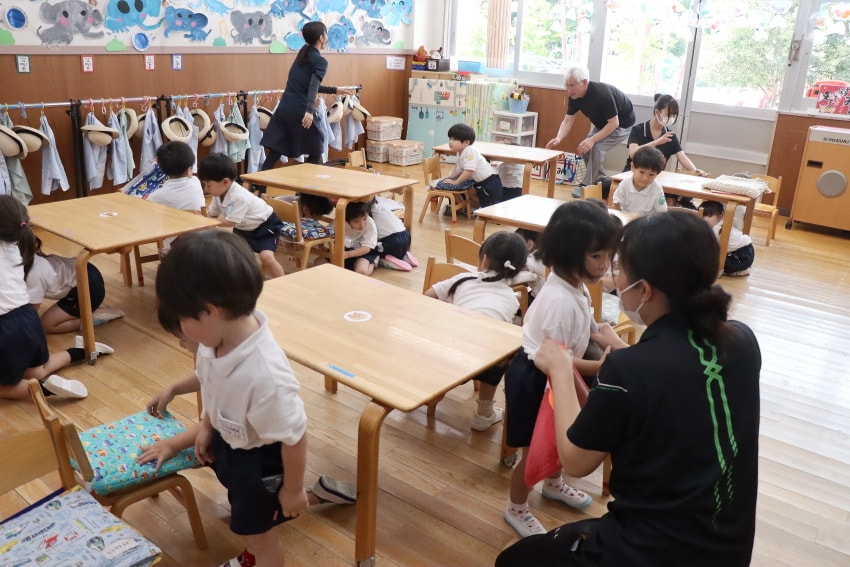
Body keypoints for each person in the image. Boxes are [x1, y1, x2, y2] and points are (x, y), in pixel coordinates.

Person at [496, 210, 761, 567]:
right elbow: (678, 376)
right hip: (729, 546)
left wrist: (560, 369)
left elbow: (575, 460)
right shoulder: (743, 340)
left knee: (513, 561)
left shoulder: (627, 371)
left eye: (619, 266)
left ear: (645, 290)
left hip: (651, 549)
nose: (613, 274)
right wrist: (621, 350)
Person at [153, 229, 356, 567]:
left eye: (182, 320)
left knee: (260, 535)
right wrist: (207, 425)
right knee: (252, 516)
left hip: (262, 464)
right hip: (233, 444)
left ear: (210, 311)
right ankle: (310, 498)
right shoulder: (214, 342)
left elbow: (294, 437)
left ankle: (272, 536)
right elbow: (213, 383)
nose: (181, 331)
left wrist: (292, 489)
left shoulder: (266, 376)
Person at [502, 200, 622, 538]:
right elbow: (557, 358)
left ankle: (553, 484)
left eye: (608, 255)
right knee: (534, 449)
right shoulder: (559, 301)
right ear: (569, 253)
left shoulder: (573, 284)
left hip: (558, 371)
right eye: (596, 256)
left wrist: (597, 333)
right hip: (536, 377)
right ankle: (516, 506)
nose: (604, 265)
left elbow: (571, 344)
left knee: (560, 438)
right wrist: (598, 365)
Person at [0, 195, 112, 401]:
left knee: (7, 384)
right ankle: (81, 351)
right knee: (36, 371)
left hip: (6, 327)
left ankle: (45, 389)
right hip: (28, 320)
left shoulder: (29, 265)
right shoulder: (16, 249)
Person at [425, 231, 527, 431]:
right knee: (502, 351)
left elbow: (427, 297)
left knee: (452, 334)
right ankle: (484, 413)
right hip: (485, 361)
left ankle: (436, 387)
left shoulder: (464, 279)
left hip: (445, 349)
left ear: (484, 260)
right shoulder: (512, 298)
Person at [260, 21, 355, 174]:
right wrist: (309, 110)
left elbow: (307, 85)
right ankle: (310, 187)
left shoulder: (303, 54)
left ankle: (257, 185)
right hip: (300, 112)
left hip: (284, 109)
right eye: (325, 34)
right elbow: (312, 86)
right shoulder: (320, 61)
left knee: (275, 152)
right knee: (317, 147)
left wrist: (334, 90)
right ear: (321, 38)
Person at [545, 66, 635, 193]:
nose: (569, 90)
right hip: (603, 124)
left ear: (584, 82)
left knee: (596, 148)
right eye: (567, 86)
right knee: (585, 148)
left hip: (622, 125)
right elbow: (568, 120)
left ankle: (585, 186)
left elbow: (614, 123)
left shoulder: (602, 94)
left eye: (572, 85)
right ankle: (604, 182)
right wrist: (558, 138)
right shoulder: (575, 97)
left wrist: (592, 140)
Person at [199, 153, 285, 279]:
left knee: (267, 257)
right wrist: (203, 218)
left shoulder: (239, 197)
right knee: (231, 252)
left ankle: (283, 281)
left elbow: (229, 223)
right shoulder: (218, 194)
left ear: (225, 182)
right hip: (244, 228)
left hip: (266, 226)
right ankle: (238, 278)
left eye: (208, 185)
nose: (206, 189)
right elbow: (212, 215)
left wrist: (207, 220)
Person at [25, 236, 123, 333]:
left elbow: (31, 311)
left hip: (88, 287)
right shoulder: (28, 262)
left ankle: (94, 317)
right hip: (80, 273)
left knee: (46, 325)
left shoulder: (34, 274)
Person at [625, 93, 706, 208]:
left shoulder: (670, 136)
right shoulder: (638, 129)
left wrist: (696, 172)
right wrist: (657, 142)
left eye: (674, 115)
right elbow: (633, 153)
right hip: (634, 175)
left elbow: (682, 158)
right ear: (657, 112)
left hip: (655, 178)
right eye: (668, 114)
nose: (671, 118)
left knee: (685, 200)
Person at [436, 123, 504, 208]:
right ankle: (468, 209)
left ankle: (473, 210)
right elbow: (458, 169)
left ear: (466, 142)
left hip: (490, 182)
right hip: (481, 182)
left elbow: (468, 171)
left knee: (490, 206)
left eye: (455, 139)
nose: (450, 142)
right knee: (479, 199)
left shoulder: (469, 151)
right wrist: (449, 178)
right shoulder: (460, 152)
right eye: (450, 138)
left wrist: (456, 182)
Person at [699, 200, 755, 276]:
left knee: (716, 263)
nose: (705, 219)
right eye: (703, 216)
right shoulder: (719, 224)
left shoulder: (717, 228)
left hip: (742, 253)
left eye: (710, 216)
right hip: (744, 250)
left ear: (720, 216)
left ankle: (742, 270)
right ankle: (740, 269)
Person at [147, 141, 205, 213]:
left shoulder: (155, 197)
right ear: (189, 169)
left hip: (171, 220)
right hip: (199, 219)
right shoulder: (196, 181)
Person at [611, 146, 667, 215]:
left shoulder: (657, 189)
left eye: (651, 174)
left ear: (657, 174)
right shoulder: (625, 184)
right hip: (626, 220)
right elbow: (616, 203)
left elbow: (662, 212)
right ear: (632, 167)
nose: (645, 178)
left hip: (646, 221)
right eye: (642, 172)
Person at [370, 196, 418, 272]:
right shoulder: (381, 205)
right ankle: (404, 254)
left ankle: (385, 259)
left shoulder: (367, 213)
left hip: (392, 241)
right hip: (406, 235)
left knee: (371, 248)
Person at [343, 201, 379, 275]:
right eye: (356, 222)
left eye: (365, 219)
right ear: (347, 220)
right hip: (346, 249)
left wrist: (347, 254)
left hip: (363, 251)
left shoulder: (370, 224)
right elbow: (329, 232)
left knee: (361, 272)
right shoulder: (341, 221)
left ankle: (373, 263)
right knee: (321, 263)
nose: (362, 225)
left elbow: (366, 248)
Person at [514, 228, 545, 301]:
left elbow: (514, 271)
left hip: (539, 300)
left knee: (511, 300)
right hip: (547, 297)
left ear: (529, 244)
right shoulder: (545, 253)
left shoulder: (531, 261)